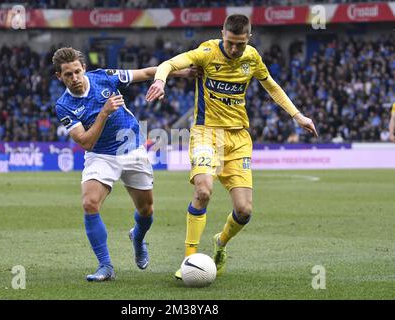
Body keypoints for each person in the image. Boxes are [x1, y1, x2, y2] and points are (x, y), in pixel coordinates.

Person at [145, 14, 318, 279]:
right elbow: (169, 63)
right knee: (203, 191)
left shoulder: (252, 57)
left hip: (238, 139)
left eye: (240, 43)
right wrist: (160, 80)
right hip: (206, 134)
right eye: (230, 42)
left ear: (249, 37)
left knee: (244, 210)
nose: (234, 49)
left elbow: (271, 86)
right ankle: (189, 258)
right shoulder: (207, 52)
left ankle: (221, 242)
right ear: (222, 33)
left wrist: (298, 116)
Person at [53, 47, 195, 282]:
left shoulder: (103, 77)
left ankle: (137, 237)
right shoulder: (64, 105)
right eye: (68, 75)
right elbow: (86, 143)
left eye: (77, 72)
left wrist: (181, 73)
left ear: (84, 69)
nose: (75, 78)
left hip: (132, 149)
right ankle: (105, 266)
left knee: (146, 211)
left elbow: (146, 72)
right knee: (89, 203)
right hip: (100, 155)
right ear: (59, 76)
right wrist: (104, 113)